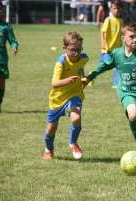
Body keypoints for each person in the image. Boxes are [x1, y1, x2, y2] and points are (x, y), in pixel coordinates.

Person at [82, 22, 136, 161]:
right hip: (126, 92)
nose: (135, 39)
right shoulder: (117, 54)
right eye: (131, 36)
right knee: (133, 115)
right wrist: (90, 77)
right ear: (123, 38)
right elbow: (104, 65)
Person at [42, 31, 89, 160]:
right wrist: (68, 80)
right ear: (65, 48)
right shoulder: (61, 62)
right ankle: (49, 149)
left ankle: (73, 143)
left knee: (75, 117)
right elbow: (55, 83)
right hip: (58, 98)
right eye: (73, 50)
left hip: (75, 94)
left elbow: (80, 68)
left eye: (79, 50)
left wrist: (83, 78)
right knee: (51, 129)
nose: (76, 53)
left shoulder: (84, 58)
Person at [0, 0, 18, 113]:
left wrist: (14, 46)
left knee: (1, 83)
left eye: (0, 8)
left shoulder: (6, 27)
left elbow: (13, 40)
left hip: (2, 59)